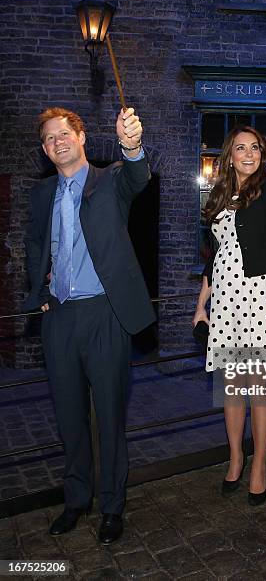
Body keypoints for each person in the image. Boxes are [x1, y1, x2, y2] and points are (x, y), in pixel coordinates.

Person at [24, 106, 155, 543]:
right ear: (45, 149)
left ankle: (112, 506)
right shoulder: (42, 194)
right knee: (69, 416)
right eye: (48, 138)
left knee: (111, 415)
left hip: (104, 314)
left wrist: (131, 144)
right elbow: (35, 244)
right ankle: (76, 500)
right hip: (59, 317)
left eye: (63, 133)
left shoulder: (111, 180)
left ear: (80, 137)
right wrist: (40, 292)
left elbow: (140, 176)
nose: (56, 141)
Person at [193, 111, 266, 505]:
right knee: (231, 386)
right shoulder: (219, 195)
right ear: (229, 156)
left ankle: (260, 464)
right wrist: (201, 306)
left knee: (256, 385)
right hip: (224, 299)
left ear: (262, 154)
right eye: (240, 147)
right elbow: (214, 257)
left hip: (258, 295)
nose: (248, 153)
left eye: (255, 147)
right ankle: (235, 459)